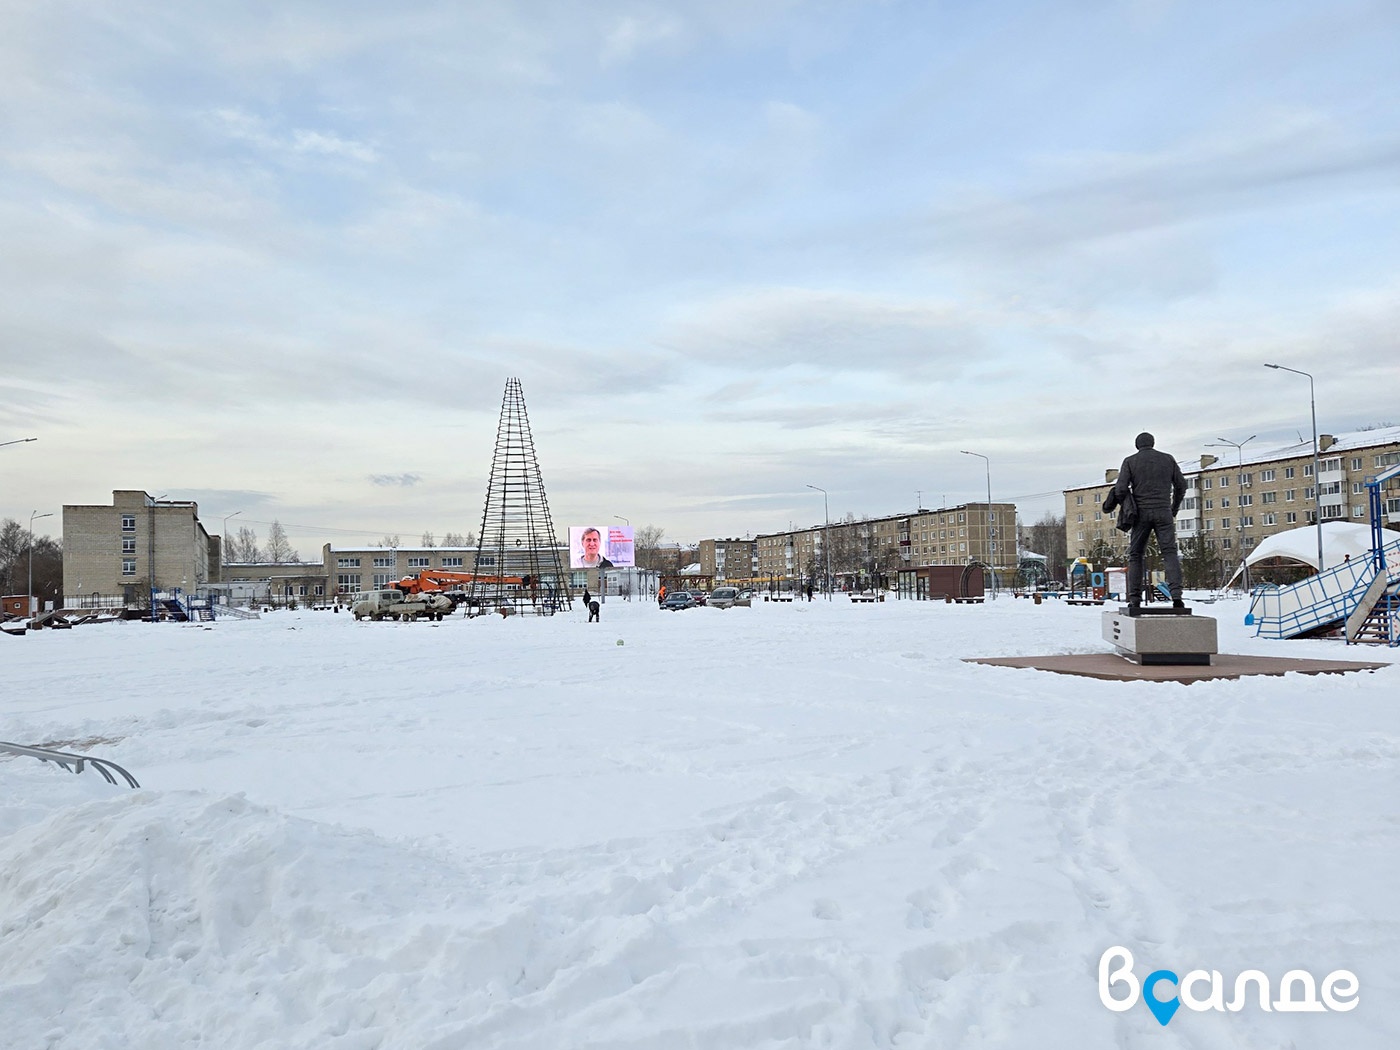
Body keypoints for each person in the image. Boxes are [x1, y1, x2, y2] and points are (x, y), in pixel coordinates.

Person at [1103, 431, 1187, 615]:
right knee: (1170, 553)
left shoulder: (1130, 461)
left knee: (1136, 555)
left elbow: (1121, 488)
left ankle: (1134, 599)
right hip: (1164, 511)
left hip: (1140, 514)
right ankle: (1177, 597)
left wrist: (1123, 503)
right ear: (1153, 443)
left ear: (1137, 445)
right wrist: (1173, 507)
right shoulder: (1168, 459)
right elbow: (1182, 485)